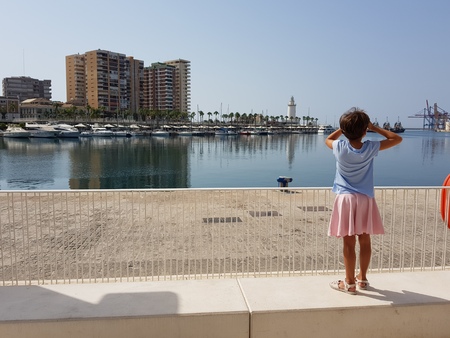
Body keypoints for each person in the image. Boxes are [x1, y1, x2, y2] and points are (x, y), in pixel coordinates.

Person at [326, 107, 402, 294]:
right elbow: (396, 139)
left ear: (344, 131)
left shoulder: (340, 148)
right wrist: (373, 127)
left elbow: (329, 139)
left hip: (345, 199)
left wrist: (342, 130)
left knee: (348, 243)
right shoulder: (370, 147)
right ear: (364, 130)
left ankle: (349, 282)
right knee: (365, 241)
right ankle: (362, 279)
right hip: (365, 198)